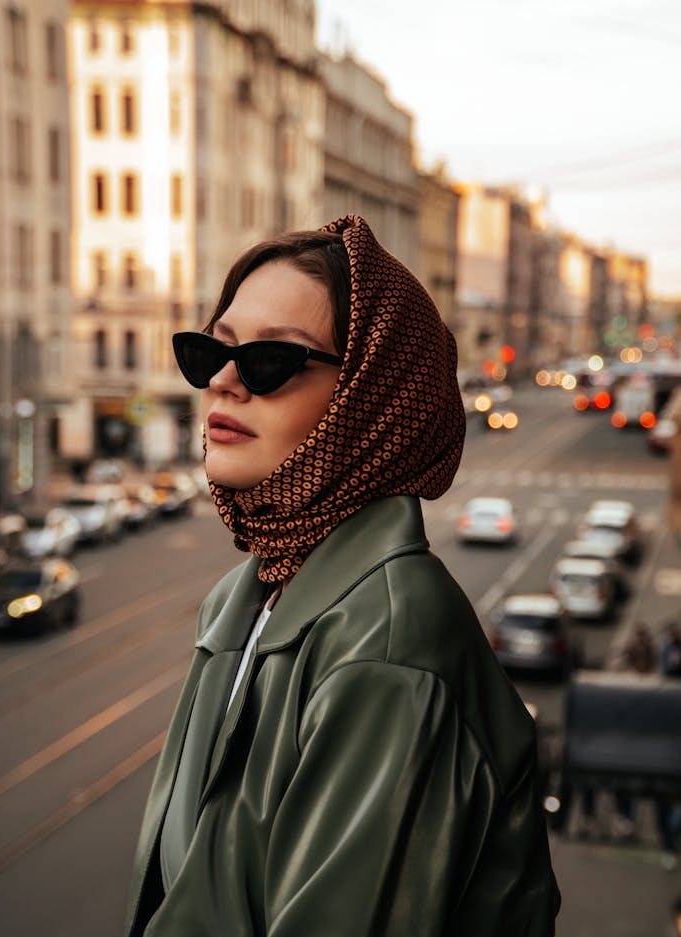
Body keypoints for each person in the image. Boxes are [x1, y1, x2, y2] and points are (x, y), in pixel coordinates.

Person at [124, 215, 560, 936]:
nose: (225, 383)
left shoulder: (390, 641)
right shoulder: (245, 598)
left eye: (272, 361)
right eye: (212, 351)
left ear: (370, 398)